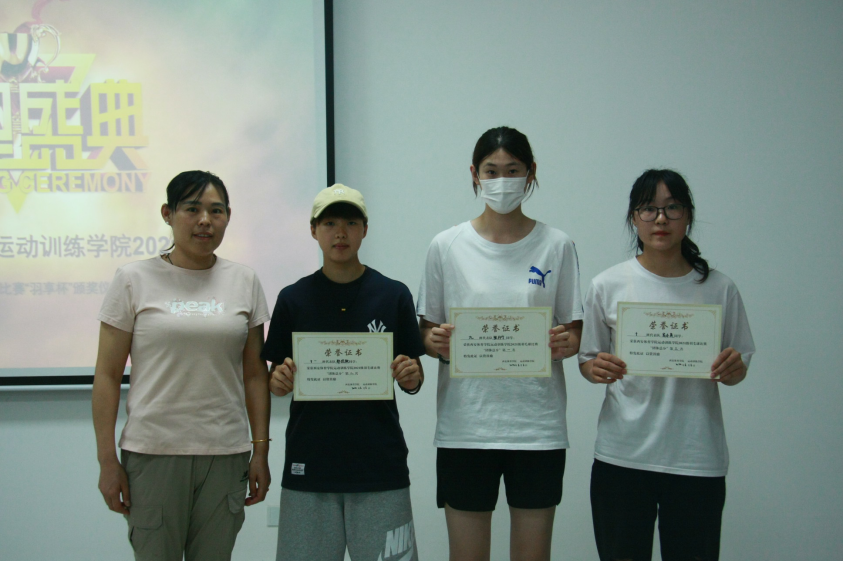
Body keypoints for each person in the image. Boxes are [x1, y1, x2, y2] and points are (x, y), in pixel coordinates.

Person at [417, 126, 583, 561]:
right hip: (466, 426)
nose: (502, 181)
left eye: (513, 170)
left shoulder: (557, 245)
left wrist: (565, 342)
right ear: (474, 174)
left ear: (531, 173)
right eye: (492, 171)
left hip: (537, 428)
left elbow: (575, 331)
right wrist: (434, 341)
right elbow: (426, 330)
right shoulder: (446, 246)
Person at [92, 170, 271, 561]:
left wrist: (260, 451)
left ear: (227, 217)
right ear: (168, 214)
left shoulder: (244, 281)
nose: (205, 220)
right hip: (153, 453)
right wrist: (107, 461)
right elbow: (106, 375)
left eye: (216, 211)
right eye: (192, 209)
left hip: (226, 453)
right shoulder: (133, 279)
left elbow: (256, 375)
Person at [578, 169, 756, 561]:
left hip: (696, 457)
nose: (660, 219)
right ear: (633, 218)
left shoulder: (719, 288)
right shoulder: (607, 285)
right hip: (623, 455)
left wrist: (733, 369)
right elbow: (588, 361)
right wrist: (597, 369)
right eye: (649, 208)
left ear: (688, 216)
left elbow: (739, 363)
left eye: (672, 208)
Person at [264, 184, 425, 561]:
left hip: (379, 466)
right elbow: (275, 377)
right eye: (330, 223)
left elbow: (414, 374)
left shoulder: (393, 295)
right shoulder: (292, 298)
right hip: (310, 465)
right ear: (313, 230)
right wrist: (278, 381)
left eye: (351, 223)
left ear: (365, 229)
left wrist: (411, 376)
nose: (340, 233)